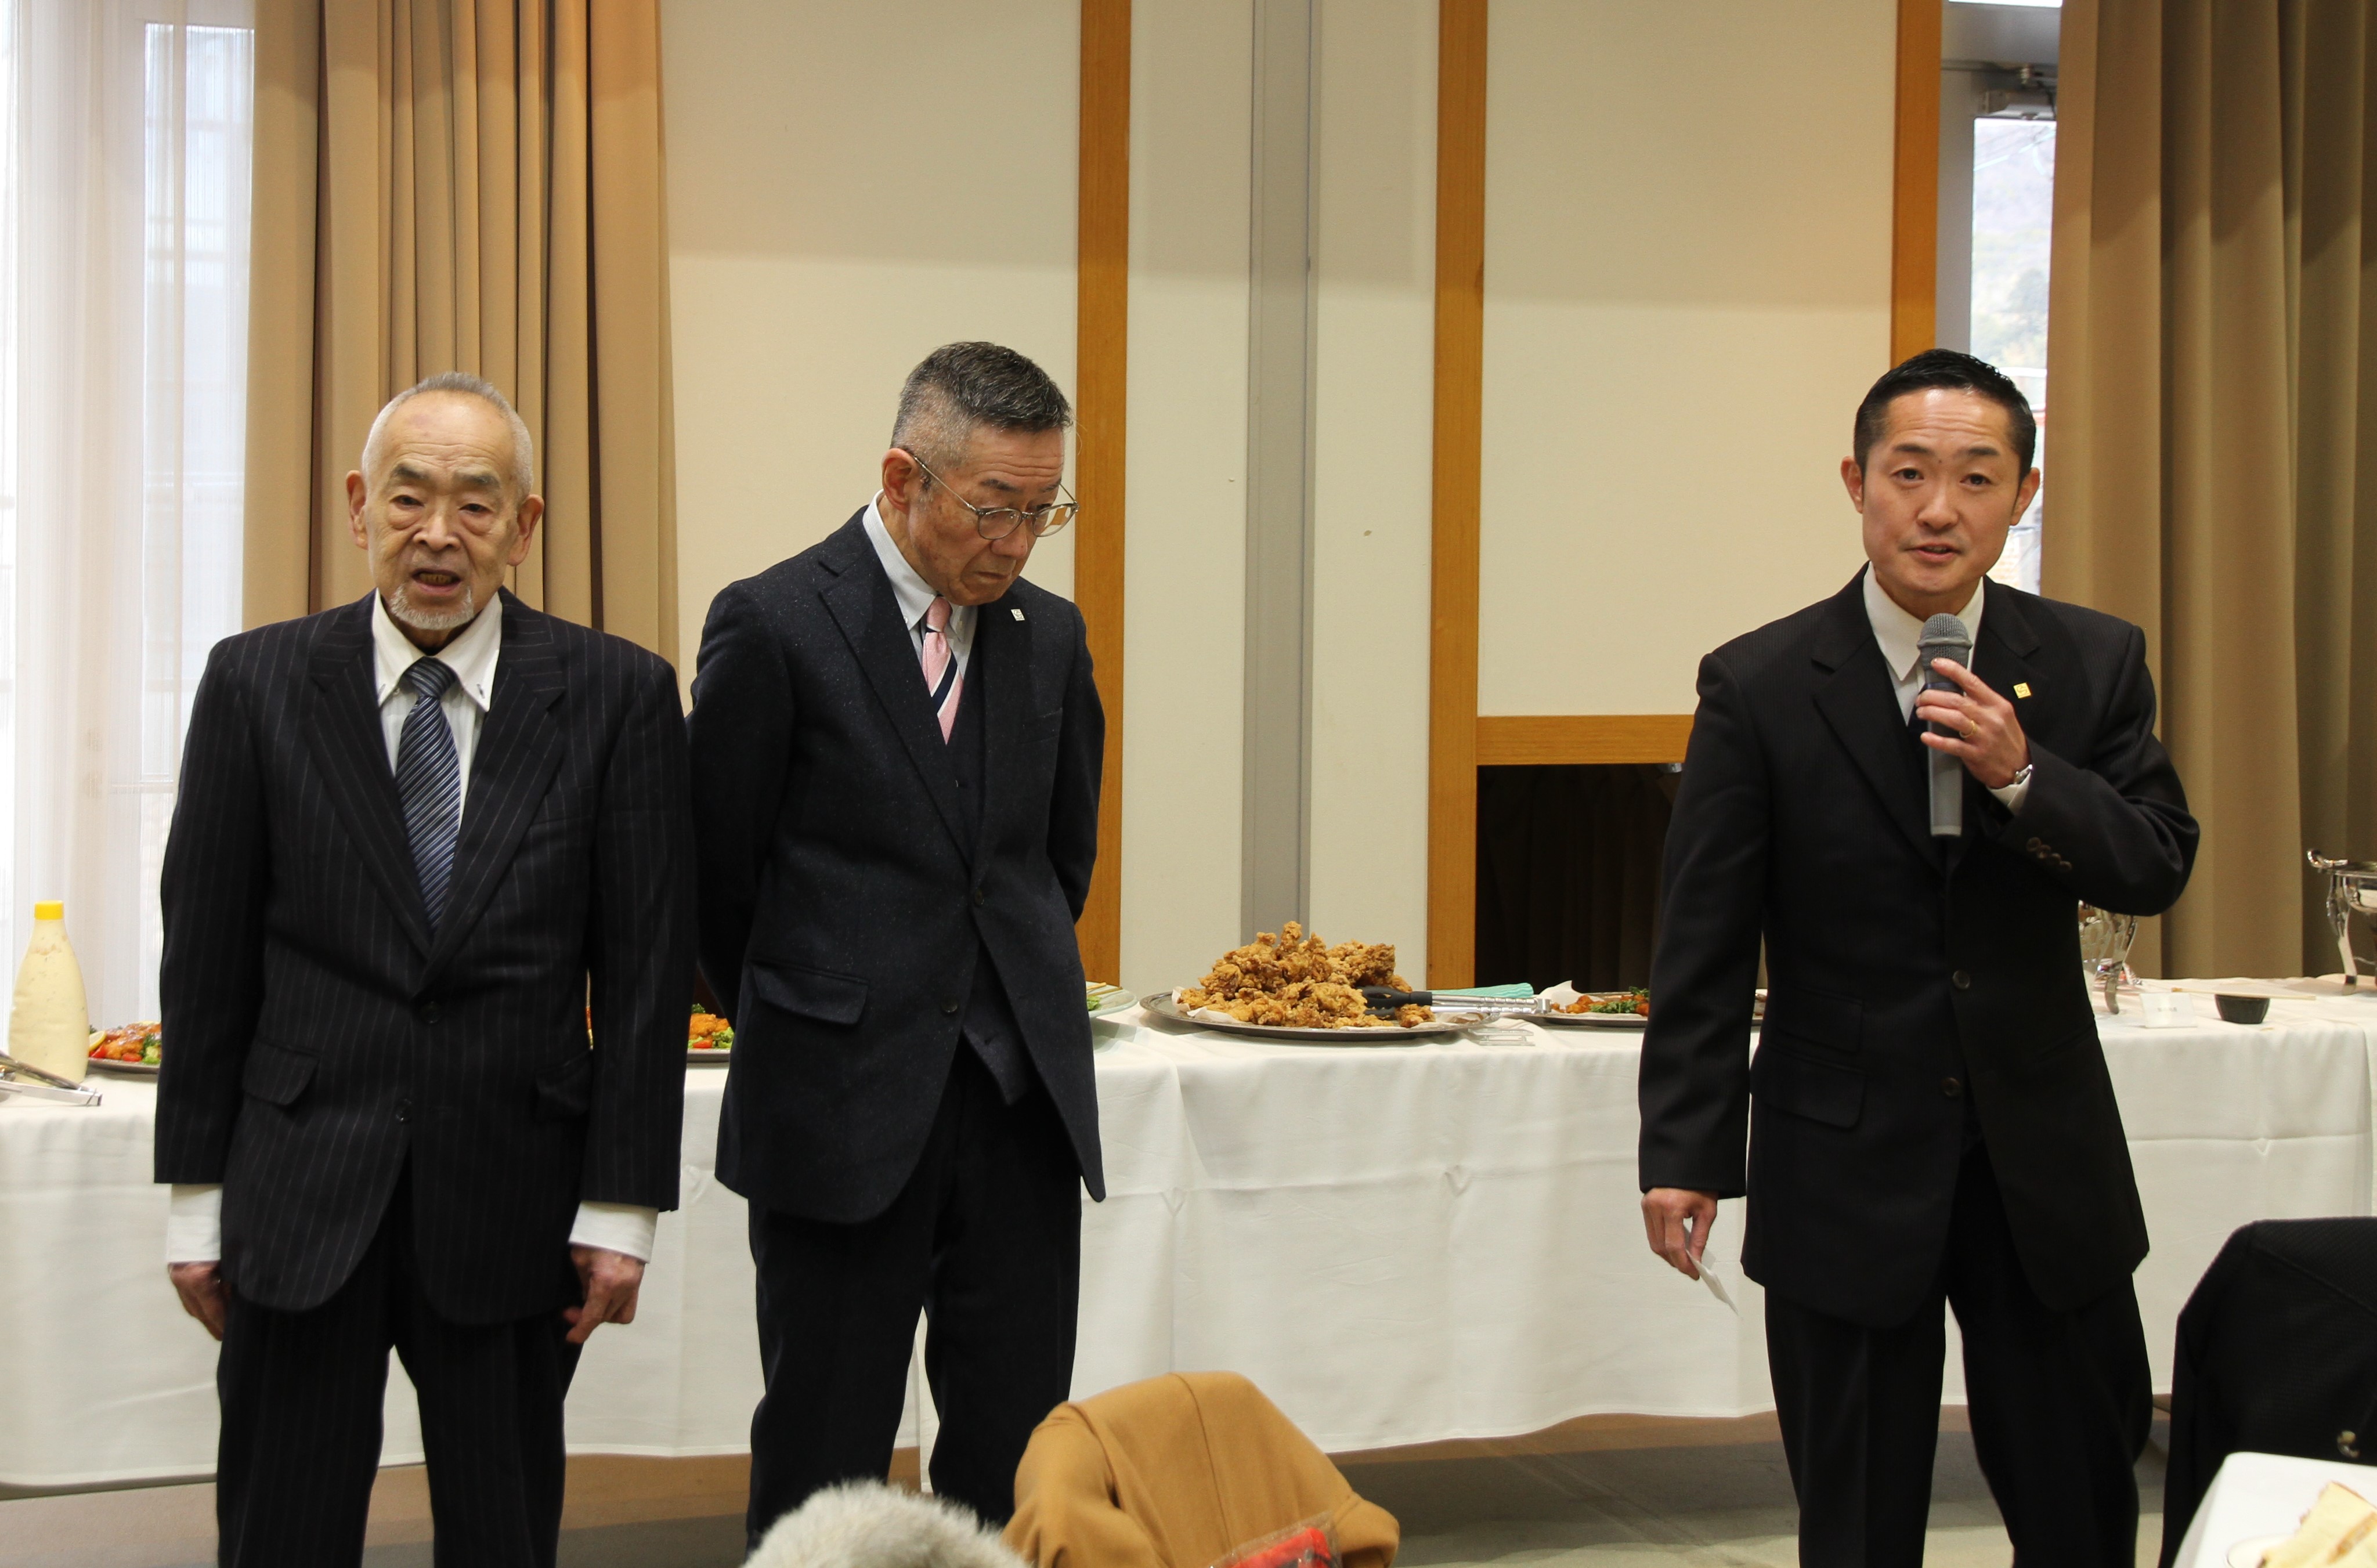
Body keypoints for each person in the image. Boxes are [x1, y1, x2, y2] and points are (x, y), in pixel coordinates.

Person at [1637, 349, 2199, 1568]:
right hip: (1842, 1162)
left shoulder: (2094, 660)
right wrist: (1683, 1149)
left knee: (2080, 1504)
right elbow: (1702, 942)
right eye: (1908, 474)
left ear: (2023, 495)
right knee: (1854, 1521)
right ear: (1856, 483)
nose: (1938, 509)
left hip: (2041, 1166)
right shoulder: (1761, 683)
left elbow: (2155, 862)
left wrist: (2025, 775)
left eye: (1976, 477)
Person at [154, 373, 695, 1568]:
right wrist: (196, 1202)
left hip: (514, 1201)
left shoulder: (617, 696)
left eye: (475, 503)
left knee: (502, 1537)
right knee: (281, 1535)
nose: (437, 534)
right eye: (408, 498)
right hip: (301, 1194)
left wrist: (622, 1211)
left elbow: (647, 977)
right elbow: (204, 965)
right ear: (360, 506)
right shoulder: (255, 683)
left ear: (524, 526)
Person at [687, 342, 1105, 1542]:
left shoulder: (1048, 637)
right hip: (838, 1100)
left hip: (1015, 1105)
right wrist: (817, 1012)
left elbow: (1054, 863)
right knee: (826, 1444)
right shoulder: (775, 622)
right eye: (994, 507)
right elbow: (716, 878)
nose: (1017, 543)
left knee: (1013, 1442)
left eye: (1044, 511)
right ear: (902, 477)